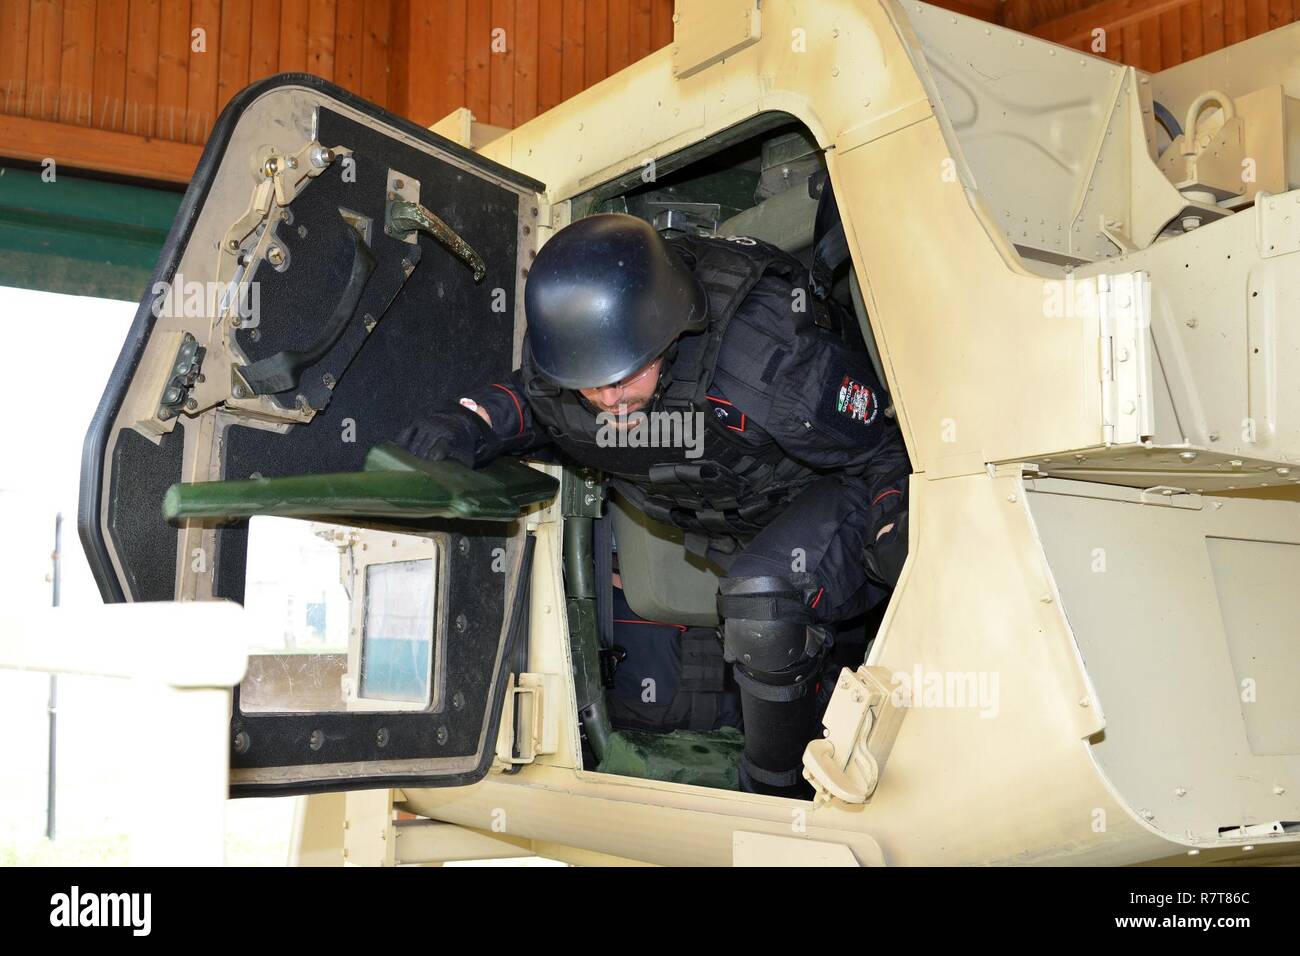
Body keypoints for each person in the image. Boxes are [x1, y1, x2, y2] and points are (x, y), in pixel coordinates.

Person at [398, 213, 910, 797]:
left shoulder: (769, 367)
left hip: (832, 489)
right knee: (772, 612)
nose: (607, 401)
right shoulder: (576, 379)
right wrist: (473, 423)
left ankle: (776, 796)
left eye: (621, 379)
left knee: (764, 601)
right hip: (747, 525)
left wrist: (893, 521)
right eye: (590, 384)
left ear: (669, 332)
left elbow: (885, 451)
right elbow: (535, 405)